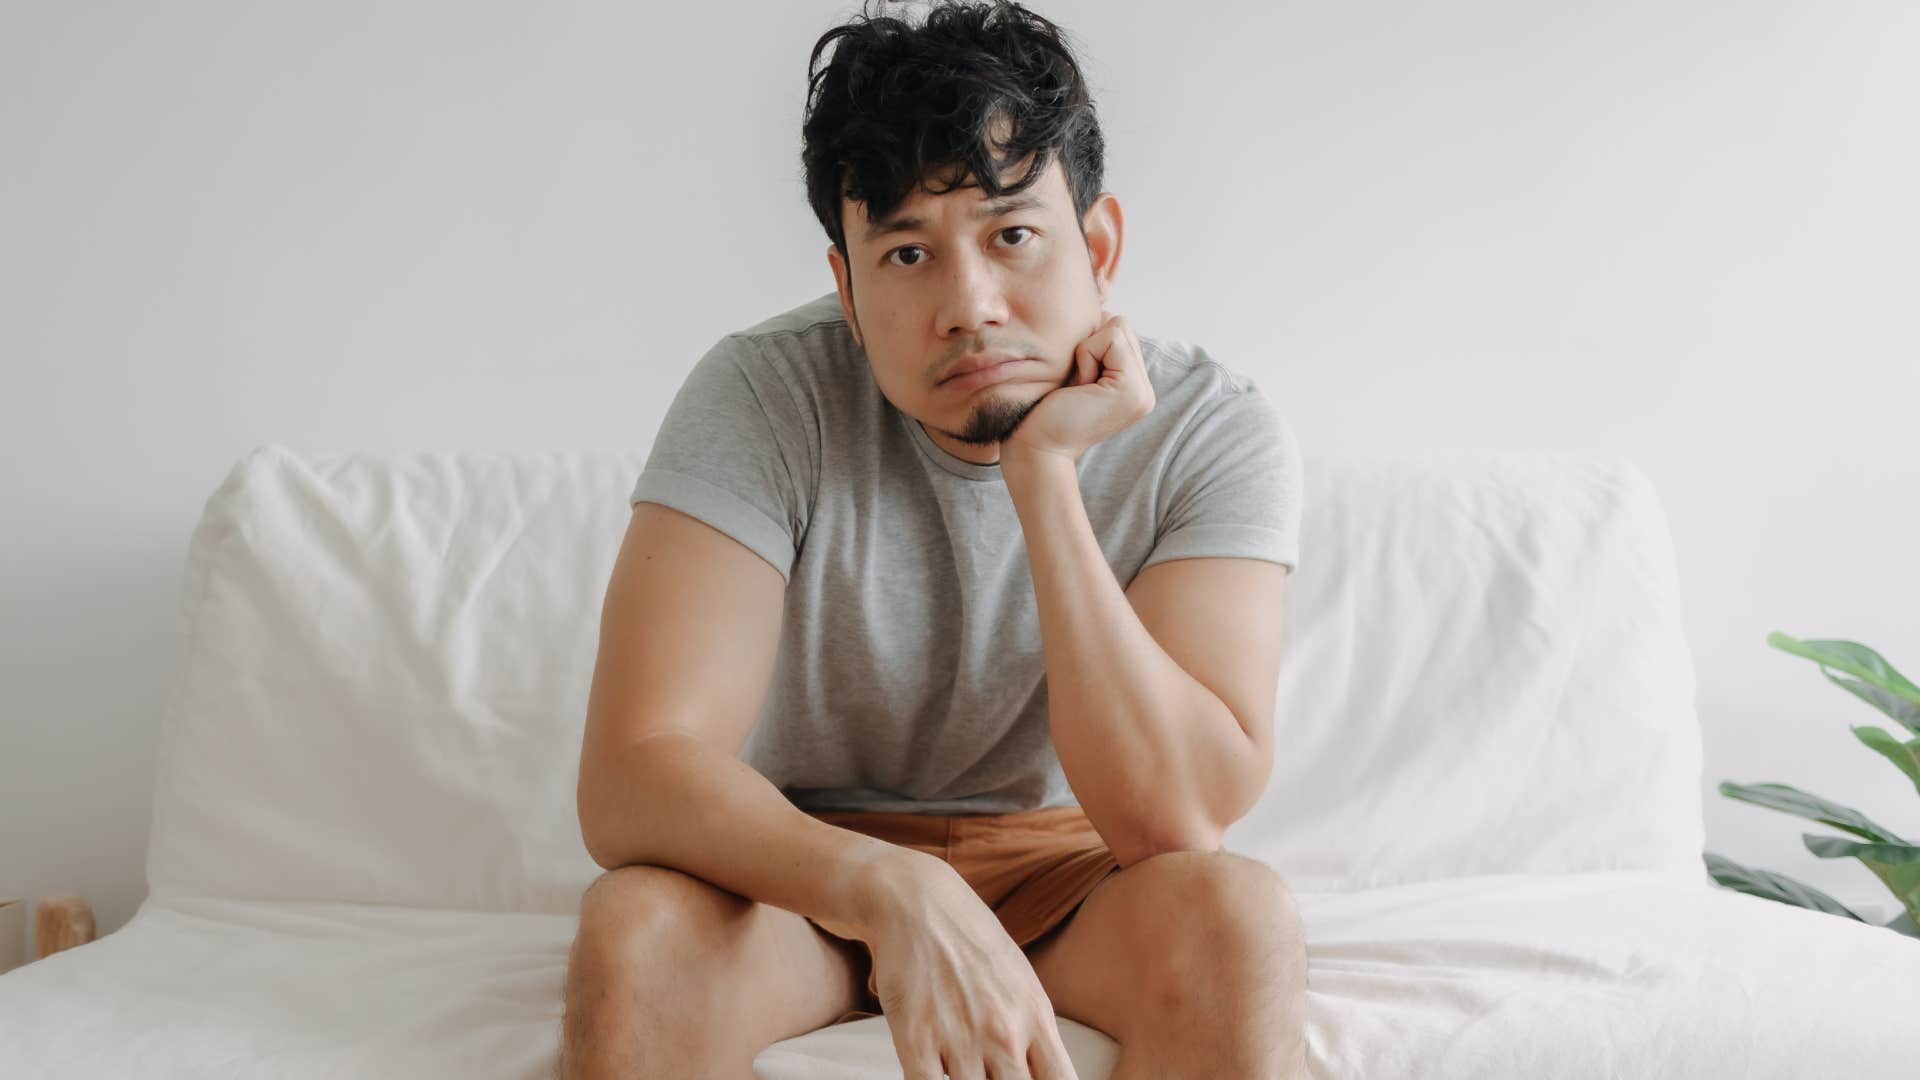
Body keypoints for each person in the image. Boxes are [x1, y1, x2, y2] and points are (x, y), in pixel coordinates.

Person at [563, 2, 1309, 1077]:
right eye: (907, 252)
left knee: (1238, 918)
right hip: (808, 873)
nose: (968, 305)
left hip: (1080, 880)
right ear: (849, 292)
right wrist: (891, 888)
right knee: (635, 933)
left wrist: (1043, 476)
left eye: (1012, 235)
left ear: (1097, 247)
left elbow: (1175, 817)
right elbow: (631, 776)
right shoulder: (764, 394)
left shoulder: (1213, 426)